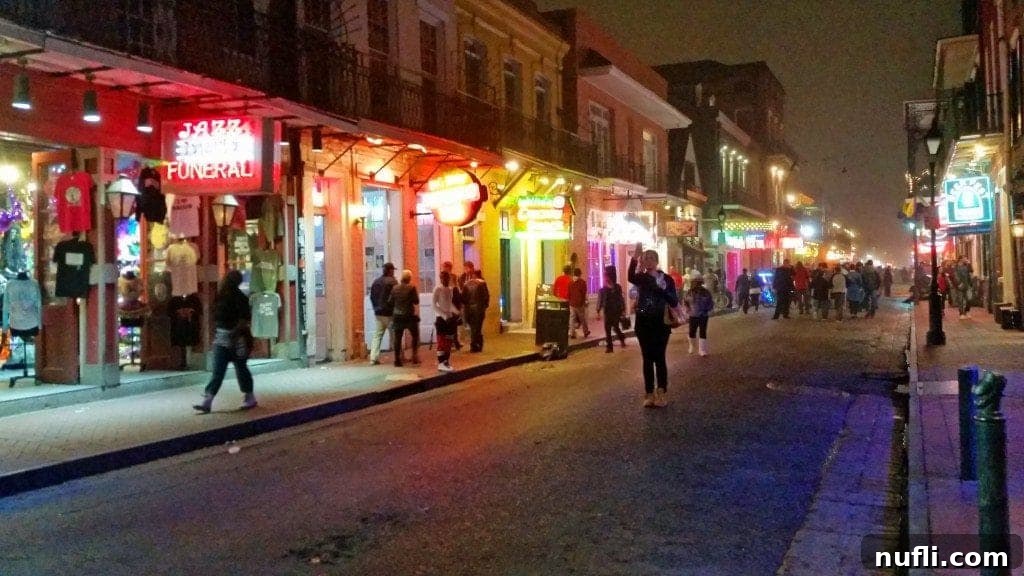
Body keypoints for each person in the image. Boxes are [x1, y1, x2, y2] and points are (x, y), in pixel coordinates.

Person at [193, 270, 256, 413]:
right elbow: (244, 319)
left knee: (219, 371)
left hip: (224, 337)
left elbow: (216, 318)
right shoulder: (240, 297)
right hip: (237, 338)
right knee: (241, 368)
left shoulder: (220, 296)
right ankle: (249, 396)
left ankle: (208, 400)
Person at [628, 242, 679, 408]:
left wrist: (661, 289)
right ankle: (648, 393)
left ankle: (661, 391)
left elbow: (673, 300)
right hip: (643, 323)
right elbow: (631, 277)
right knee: (647, 358)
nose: (648, 261)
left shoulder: (667, 279)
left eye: (651, 258)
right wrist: (635, 258)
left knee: (659, 357)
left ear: (657, 261)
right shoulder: (642, 279)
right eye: (645, 258)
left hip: (660, 323)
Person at [389, 269, 420, 367]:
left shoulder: (394, 288)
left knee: (397, 338)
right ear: (409, 278)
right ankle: (414, 357)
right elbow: (416, 301)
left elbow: (390, 301)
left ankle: (397, 360)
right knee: (415, 335)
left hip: (397, 315)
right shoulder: (411, 288)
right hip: (409, 316)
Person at [368, 262, 397, 365]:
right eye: (393, 270)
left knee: (377, 335)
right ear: (390, 271)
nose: (394, 272)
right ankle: (398, 357)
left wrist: (376, 308)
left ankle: (373, 358)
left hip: (378, 313)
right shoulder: (392, 282)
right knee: (395, 335)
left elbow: (371, 297)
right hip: (389, 313)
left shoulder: (376, 282)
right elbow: (395, 296)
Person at [596, 265, 626, 352]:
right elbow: (600, 300)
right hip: (607, 311)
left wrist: (623, 309)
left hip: (616, 311)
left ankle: (621, 338)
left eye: (606, 275)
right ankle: (610, 347)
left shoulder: (617, 287)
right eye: (605, 275)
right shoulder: (603, 289)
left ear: (611, 276)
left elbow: (621, 299)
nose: (605, 277)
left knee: (615, 327)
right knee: (607, 328)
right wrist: (598, 311)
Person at [433, 270, 458, 371]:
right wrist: (443, 315)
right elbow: (434, 305)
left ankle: (446, 361)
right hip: (441, 319)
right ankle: (441, 362)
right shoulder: (437, 289)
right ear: (441, 278)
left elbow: (449, 304)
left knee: (448, 340)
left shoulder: (450, 289)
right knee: (441, 340)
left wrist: (456, 311)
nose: (445, 279)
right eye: (443, 278)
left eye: (447, 277)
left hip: (450, 318)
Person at [685, 276, 714, 356]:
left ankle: (702, 350)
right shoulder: (689, 292)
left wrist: (707, 310)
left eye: (699, 283)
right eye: (695, 283)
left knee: (703, 331)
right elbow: (686, 302)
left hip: (703, 315)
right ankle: (692, 346)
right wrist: (688, 310)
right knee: (692, 332)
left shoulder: (706, 292)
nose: (697, 285)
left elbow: (710, 303)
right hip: (693, 315)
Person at [462, 269, 489, 352]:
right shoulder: (482, 284)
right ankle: (475, 345)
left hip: (469, 309)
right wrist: (485, 306)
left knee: (473, 328)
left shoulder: (466, 285)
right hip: (479, 309)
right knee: (477, 328)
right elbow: (486, 296)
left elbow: (463, 298)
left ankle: (476, 344)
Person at [568, 267, 590, 338]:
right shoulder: (582, 282)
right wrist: (584, 302)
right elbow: (584, 293)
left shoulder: (570, 282)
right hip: (579, 303)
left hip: (571, 303)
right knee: (582, 318)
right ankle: (585, 331)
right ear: (579, 274)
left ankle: (572, 333)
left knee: (572, 318)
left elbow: (568, 293)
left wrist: (570, 300)